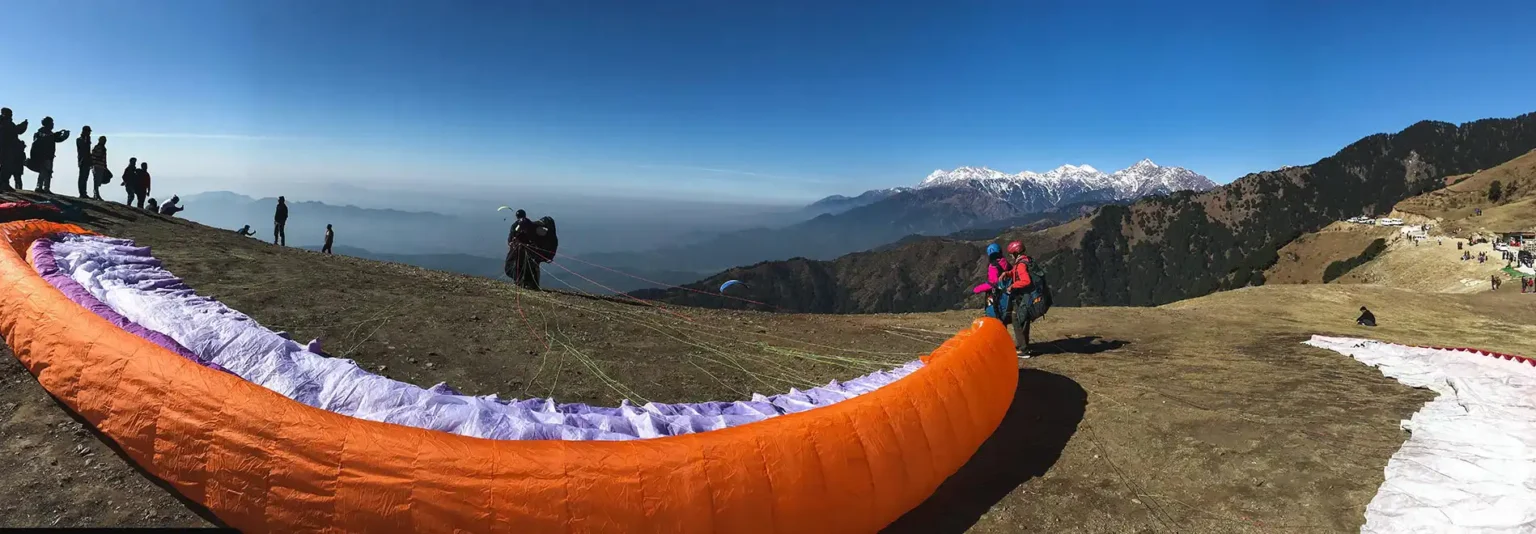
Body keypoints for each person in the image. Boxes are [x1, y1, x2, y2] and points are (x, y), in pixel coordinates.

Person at [1003, 240, 1038, 357]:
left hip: (1024, 297)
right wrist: (1007, 273)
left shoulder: (1021, 265)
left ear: (1016, 253)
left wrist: (1012, 286)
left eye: (1011, 254)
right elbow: (1015, 272)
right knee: (1021, 319)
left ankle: (1023, 349)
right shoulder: (1026, 261)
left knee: (1017, 318)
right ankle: (1023, 346)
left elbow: (1026, 280)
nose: (1011, 256)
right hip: (1028, 297)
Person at [26, 116, 70, 193]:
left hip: (48, 156)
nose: (53, 125)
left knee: (47, 172)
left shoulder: (48, 133)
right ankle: (41, 187)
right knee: (44, 171)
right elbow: (44, 139)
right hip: (42, 156)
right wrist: (56, 135)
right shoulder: (40, 133)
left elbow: (57, 139)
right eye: (52, 123)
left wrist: (65, 136)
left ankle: (45, 188)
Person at [972, 243, 1013, 320]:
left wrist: (977, 289)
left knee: (995, 315)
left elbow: (993, 283)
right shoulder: (1005, 262)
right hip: (1009, 294)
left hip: (999, 296)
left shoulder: (993, 266)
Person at [505, 209, 540, 289]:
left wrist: (511, 244)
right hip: (530, 250)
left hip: (519, 250)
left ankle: (519, 282)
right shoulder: (531, 224)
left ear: (517, 216)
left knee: (518, 265)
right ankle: (532, 284)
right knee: (531, 266)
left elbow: (511, 237)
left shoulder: (515, 225)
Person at [0, 108, 27, 192]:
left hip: (7, 148)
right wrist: (23, 126)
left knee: (7, 167)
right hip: (5, 148)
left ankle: (4, 184)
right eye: (9, 113)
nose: (11, 115)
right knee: (6, 167)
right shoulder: (5, 123)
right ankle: (3, 184)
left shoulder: (7, 123)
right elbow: (16, 130)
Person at [75, 125, 93, 198]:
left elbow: (88, 151)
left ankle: (84, 193)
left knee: (85, 177)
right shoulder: (79, 139)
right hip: (82, 160)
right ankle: (82, 193)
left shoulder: (86, 139)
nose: (89, 133)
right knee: (82, 177)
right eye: (89, 132)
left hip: (87, 160)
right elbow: (84, 149)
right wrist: (87, 140)